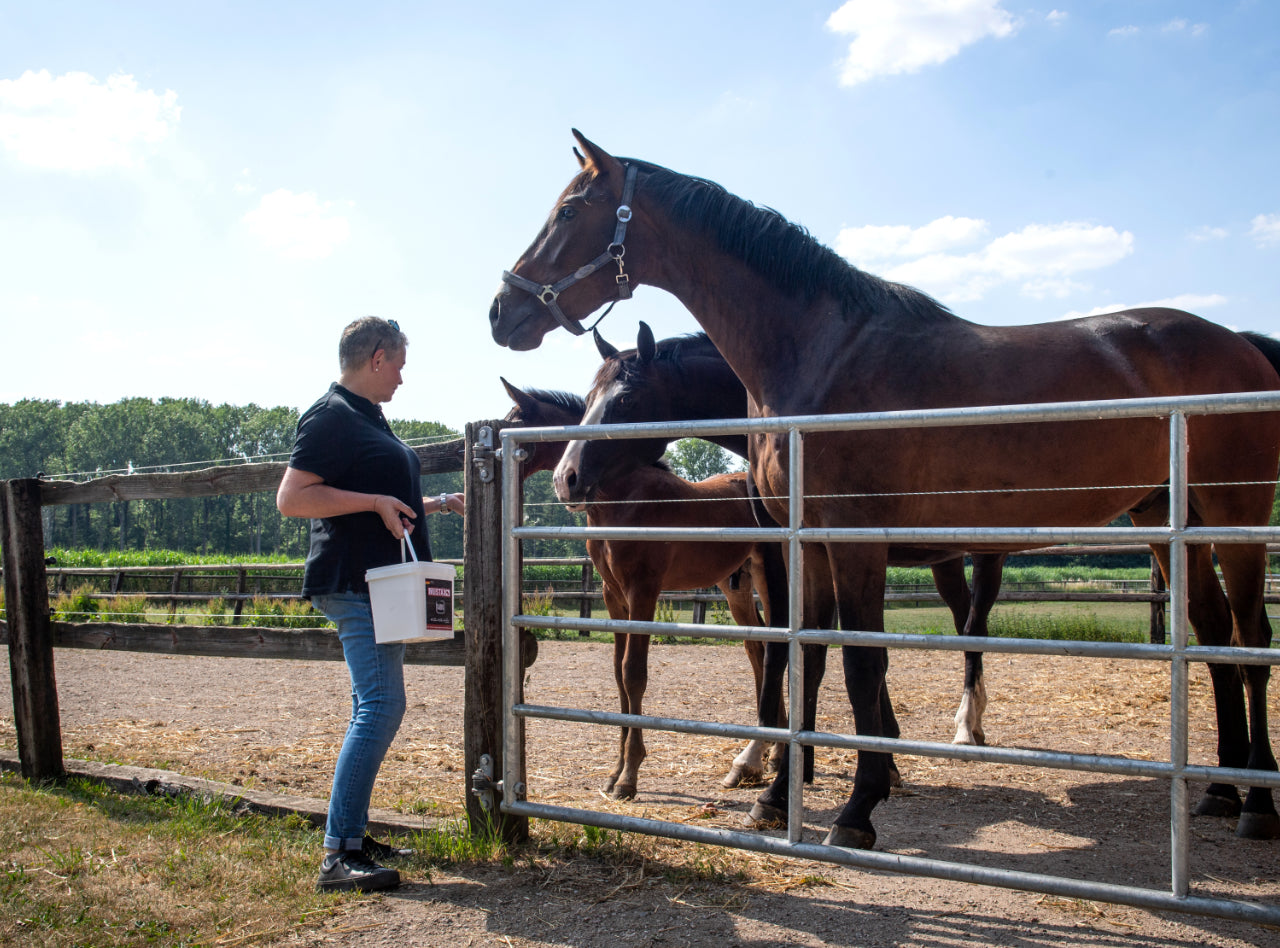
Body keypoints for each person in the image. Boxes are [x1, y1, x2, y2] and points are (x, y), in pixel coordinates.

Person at [277, 316, 464, 893]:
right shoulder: (330, 416)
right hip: (355, 581)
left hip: (378, 583)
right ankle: (338, 854)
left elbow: (380, 499)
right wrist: (375, 501)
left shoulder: (365, 416)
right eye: (399, 366)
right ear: (377, 357)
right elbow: (292, 498)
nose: (402, 378)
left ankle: (352, 837)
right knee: (381, 706)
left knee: (373, 703)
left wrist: (434, 502)